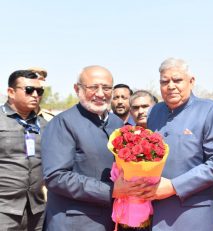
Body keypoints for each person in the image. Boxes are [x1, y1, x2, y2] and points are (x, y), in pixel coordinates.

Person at [116, 57, 213, 231]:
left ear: (191, 82)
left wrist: (173, 187)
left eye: (177, 80)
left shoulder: (210, 110)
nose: (170, 86)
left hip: (194, 216)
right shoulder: (155, 111)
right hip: (156, 213)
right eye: (165, 81)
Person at [41, 65, 124, 231]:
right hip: (75, 222)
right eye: (93, 87)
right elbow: (55, 176)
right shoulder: (64, 123)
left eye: (106, 88)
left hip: (113, 219)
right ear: (77, 88)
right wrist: (112, 190)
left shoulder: (117, 123)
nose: (100, 93)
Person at [0, 70, 47, 230]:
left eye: (39, 91)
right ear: (11, 92)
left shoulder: (45, 124)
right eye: (29, 90)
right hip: (4, 209)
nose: (35, 95)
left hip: (37, 209)